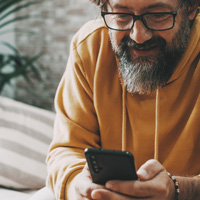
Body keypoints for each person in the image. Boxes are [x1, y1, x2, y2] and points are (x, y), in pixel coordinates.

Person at [46, 0, 200, 199]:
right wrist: (80, 187)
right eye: (122, 15)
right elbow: (67, 149)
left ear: (191, 8)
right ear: (105, 9)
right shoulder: (90, 47)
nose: (139, 36)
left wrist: (180, 190)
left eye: (157, 15)